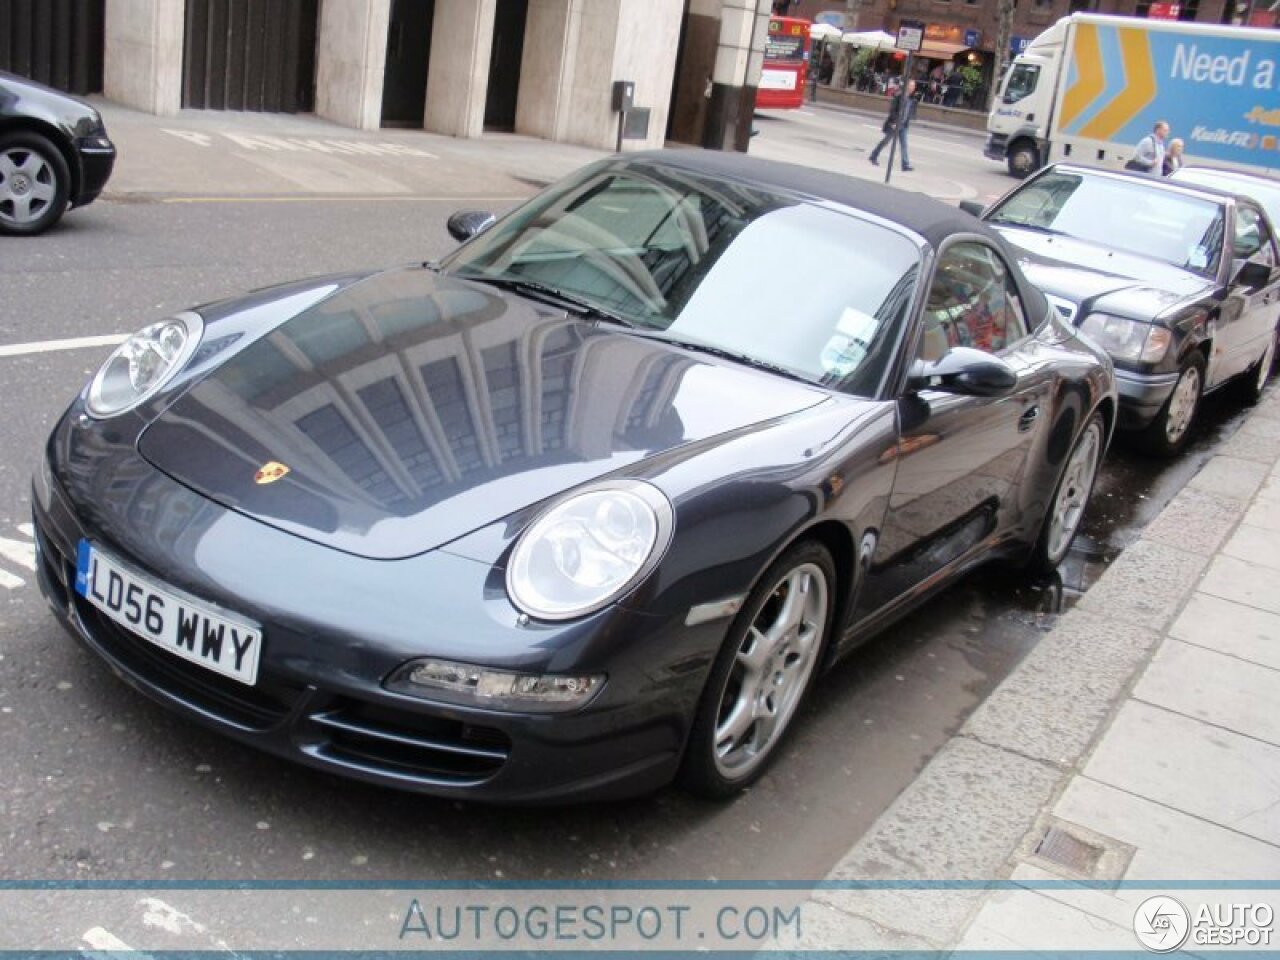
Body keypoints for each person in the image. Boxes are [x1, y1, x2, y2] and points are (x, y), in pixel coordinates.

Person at [869, 79, 917, 171]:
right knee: (885, 141)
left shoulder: (911, 98)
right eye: (911, 86)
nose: (913, 88)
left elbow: (909, 111)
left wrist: (908, 119)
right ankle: (873, 155)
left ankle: (905, 164)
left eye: (914, 86)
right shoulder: (899, 96)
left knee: (904, 145)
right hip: (895, 124)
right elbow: (893, 110)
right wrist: (894, 122)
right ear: (907, 86)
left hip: (903, 125)